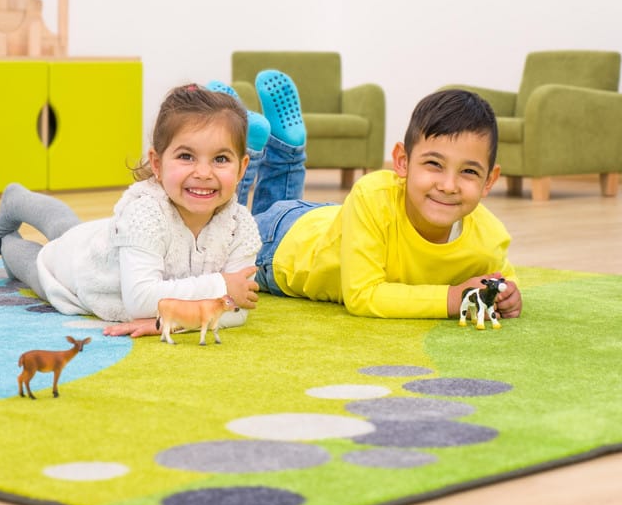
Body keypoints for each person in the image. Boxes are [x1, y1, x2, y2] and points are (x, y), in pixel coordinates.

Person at [219, 73, 523, 320]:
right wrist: (453, 298)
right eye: (434, 164)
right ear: (402, 162)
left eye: (468, 172)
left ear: (489, 180)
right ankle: (244, 142)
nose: (448, 185)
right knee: (226, 234)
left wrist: (508, 295)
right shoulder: (372, 193)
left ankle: (283, 146)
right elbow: (363, 295)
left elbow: (503, 278)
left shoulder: (489, 236)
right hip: (283, 249)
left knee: (264, 211)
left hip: (331, 222)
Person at [0, 84, 264, 338]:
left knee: (66, 228)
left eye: (220, 159)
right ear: (157, 164)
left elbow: (239, 309)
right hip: (81, 274)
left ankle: (17, 203)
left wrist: (170, 323)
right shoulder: (144, 214)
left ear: (241, 168)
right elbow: (141, 300)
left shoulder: (241, 226)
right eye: (186, 156)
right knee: (37, 262)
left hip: (109, 243)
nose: (203, 172)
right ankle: (12, 217)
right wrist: (222, 285)